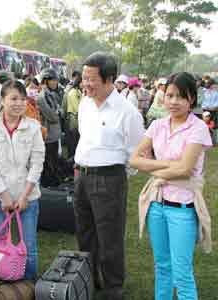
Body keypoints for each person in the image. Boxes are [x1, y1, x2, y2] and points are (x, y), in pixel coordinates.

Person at [130, 72, 212, 300]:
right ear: (163, 97)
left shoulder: (198, 128)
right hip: (156, 205)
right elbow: (134, 159)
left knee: (182, 273)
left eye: (181, 97)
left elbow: (185, 169)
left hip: (182, 209)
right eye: (170, 95)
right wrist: (168, 165)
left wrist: (153, 167)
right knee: (162, 267)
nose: (174, 101)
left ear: (192, 100)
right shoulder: (157, 125)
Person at [74, 52, 144, 300]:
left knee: (110, 237)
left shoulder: (127, 112)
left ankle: (113, 288)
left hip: (109, 178)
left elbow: (136, 151)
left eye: (91, 79)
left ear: (109, 80)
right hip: (81, 176)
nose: (86, 84)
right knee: (85, 233)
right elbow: (84, 137)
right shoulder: (84, 104)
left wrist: (114, 175)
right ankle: (88, 281)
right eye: (84, 78)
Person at [0, 80, 45, 280]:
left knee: (29, 246)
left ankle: (29, 285)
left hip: (28, 196)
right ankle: (0, 286)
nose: (19, 103)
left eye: (23, 99)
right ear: (2, 100)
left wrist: (24, 196)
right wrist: (4, 195)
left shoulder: (33, 127)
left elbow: (37, 162)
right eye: (13, 98)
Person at [36, 68, 62, 187]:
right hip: (48, 136)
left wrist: (58, 112)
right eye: (53, 80)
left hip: (53, 135)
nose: (55, 83)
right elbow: (53, 116)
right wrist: (58, 113)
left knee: (54, 161)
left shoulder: (51, 94)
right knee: (49, 163)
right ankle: (49, 187)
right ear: (46, 81)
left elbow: (59, 110)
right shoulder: (42, 97)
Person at [62, 76, 82, 158]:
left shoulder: (78, 92)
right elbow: (77, 108)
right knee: (73, 143)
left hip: (77, 119)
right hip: (74, 120)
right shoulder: (73, 93)